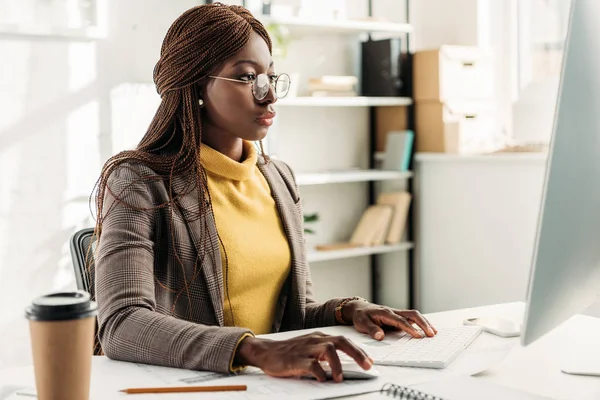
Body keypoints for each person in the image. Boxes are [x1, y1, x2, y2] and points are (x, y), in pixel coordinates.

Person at [92, 2, 437, 383]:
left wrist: (349, 310)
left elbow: (293, 314)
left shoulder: (277, 178)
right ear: (196, 85)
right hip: (193, 389)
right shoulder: (138, 182)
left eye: (271, 76)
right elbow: (121, 324)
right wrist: (255, 350)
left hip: (269, 386)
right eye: (247, 77)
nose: (269, 95)